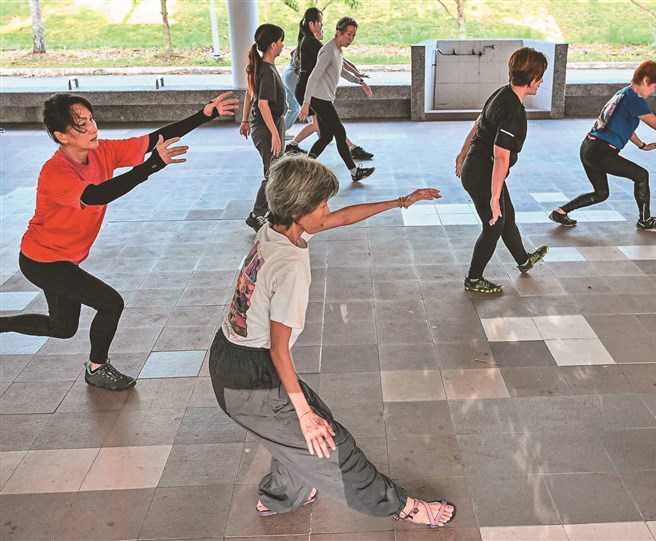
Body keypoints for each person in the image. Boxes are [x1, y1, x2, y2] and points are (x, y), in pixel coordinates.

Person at [209, 154, 455, 528]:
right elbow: (278, 348)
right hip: (248, 379)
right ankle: (401, 506)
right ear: (298, 211)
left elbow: (341, 218)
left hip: (230, 357)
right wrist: (304, 415)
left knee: (301, 431)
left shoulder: (275, 228)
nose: (328, 210)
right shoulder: (289, 267)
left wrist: (400, 202)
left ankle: (282, 496)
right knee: (330, 443)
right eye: (322, 204)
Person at [0, 91, 238, 390]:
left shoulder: (101, 151)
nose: (92, 128)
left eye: (91, 119)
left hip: (64, 258)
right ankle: (97, 368)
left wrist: (205, 115)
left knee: (62, 328)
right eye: (81, 125)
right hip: (43, 260)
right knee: (110, 303)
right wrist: (151, 166)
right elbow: (97, 195)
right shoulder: (55, 172)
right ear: (62, 136)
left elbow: (153, 140)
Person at [549, 60, 656, 233]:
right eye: (654, 86)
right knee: (641, 175)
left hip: (588, 147)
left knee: (601, 193)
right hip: (602, 151)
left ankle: (560, 213)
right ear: (645, 80)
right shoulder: (635, 100)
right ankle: (645, 220)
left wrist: (642, 145)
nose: (653, 91)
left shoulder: (622, 94)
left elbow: (624, 126)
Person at [454, 47, 550, 295]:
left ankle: (524, 260)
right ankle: (474, 279)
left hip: (479, 168)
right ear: (531, 78)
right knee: (494, 225)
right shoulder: (512, 110)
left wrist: (463, 153)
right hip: (482, 173)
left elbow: (478, 123)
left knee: (508, 217)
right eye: (540, 77)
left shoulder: (503, 92)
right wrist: (494, 198)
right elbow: (501, 156)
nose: (541, 82)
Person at [287, 8, 373, 161]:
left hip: (310, 88)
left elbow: (340, 62)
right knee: (332, 128)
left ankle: (296, 148)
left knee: (323, 128)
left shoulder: (310, 40)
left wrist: (357, 76)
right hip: (309, 89)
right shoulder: (312, 42)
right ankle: (352, 151)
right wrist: (357, 75)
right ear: (312, 24)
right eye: (320, 22)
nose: (322, 25)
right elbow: (339, 63)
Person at [240, 24, 287, 233]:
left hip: (269, 124)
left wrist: (244, 120)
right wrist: (274, 134)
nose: (283, 45)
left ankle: (270, 211)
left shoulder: (263, 67)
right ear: (273, 44)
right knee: (273, 172)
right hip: (268, 126)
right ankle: (256, 215)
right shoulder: (266, 70)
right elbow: (262, 104)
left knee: (275, 170)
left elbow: (249, 93)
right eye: (281, 41)